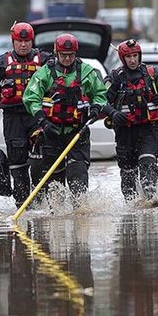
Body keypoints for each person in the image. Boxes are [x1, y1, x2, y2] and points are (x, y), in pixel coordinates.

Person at [22, 33, 107, 198]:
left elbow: (100, 94)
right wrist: (43, 122)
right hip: (51, 133)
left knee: (78, 175)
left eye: (71, 55)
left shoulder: (87, 72)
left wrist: (96, 107)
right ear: (56, 53)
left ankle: (79, 214)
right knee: (54, 183)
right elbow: (31, 98)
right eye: (63, 55)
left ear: (76, 54)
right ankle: (56, 216)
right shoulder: (44, 73)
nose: (67, 59)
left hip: (78, 133)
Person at [0, 22, 52, 208]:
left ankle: (41, 202)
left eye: (27, 41)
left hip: (38, 117)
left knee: (39, 160)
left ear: (32, 41)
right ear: (13, 42)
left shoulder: (45, 60)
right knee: (17, 162)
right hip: (13, 119)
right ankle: (23, 204)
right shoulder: (2, 64)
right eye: (19, 41)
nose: (23, 45)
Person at [103, 39, 158, 203]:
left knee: (148, 164)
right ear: (122, 58)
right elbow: (100, 100)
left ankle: (150, 199)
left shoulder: (152, 74)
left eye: (135, 56)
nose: (133, 60)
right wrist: (112, 112)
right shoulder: (115, 78)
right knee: (128, 173)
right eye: (129, 57)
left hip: (149, 129)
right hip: (125, 132)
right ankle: (132, 206)